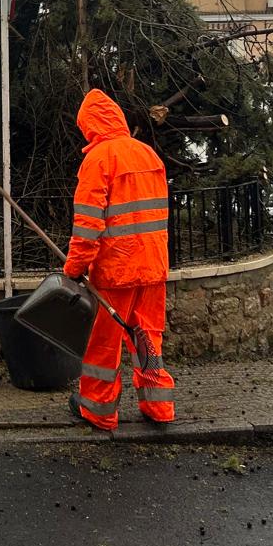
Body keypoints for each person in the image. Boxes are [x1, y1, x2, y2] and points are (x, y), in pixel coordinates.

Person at [62, 88, 177, 431]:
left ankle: (98, 410)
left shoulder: (98, 160)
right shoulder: (148, 155)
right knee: (148, 340)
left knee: (104, 345)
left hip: (117, 272)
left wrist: (74, 268)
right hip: (153, 266)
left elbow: (88, 226)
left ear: (89, 125)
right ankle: (159, 408)